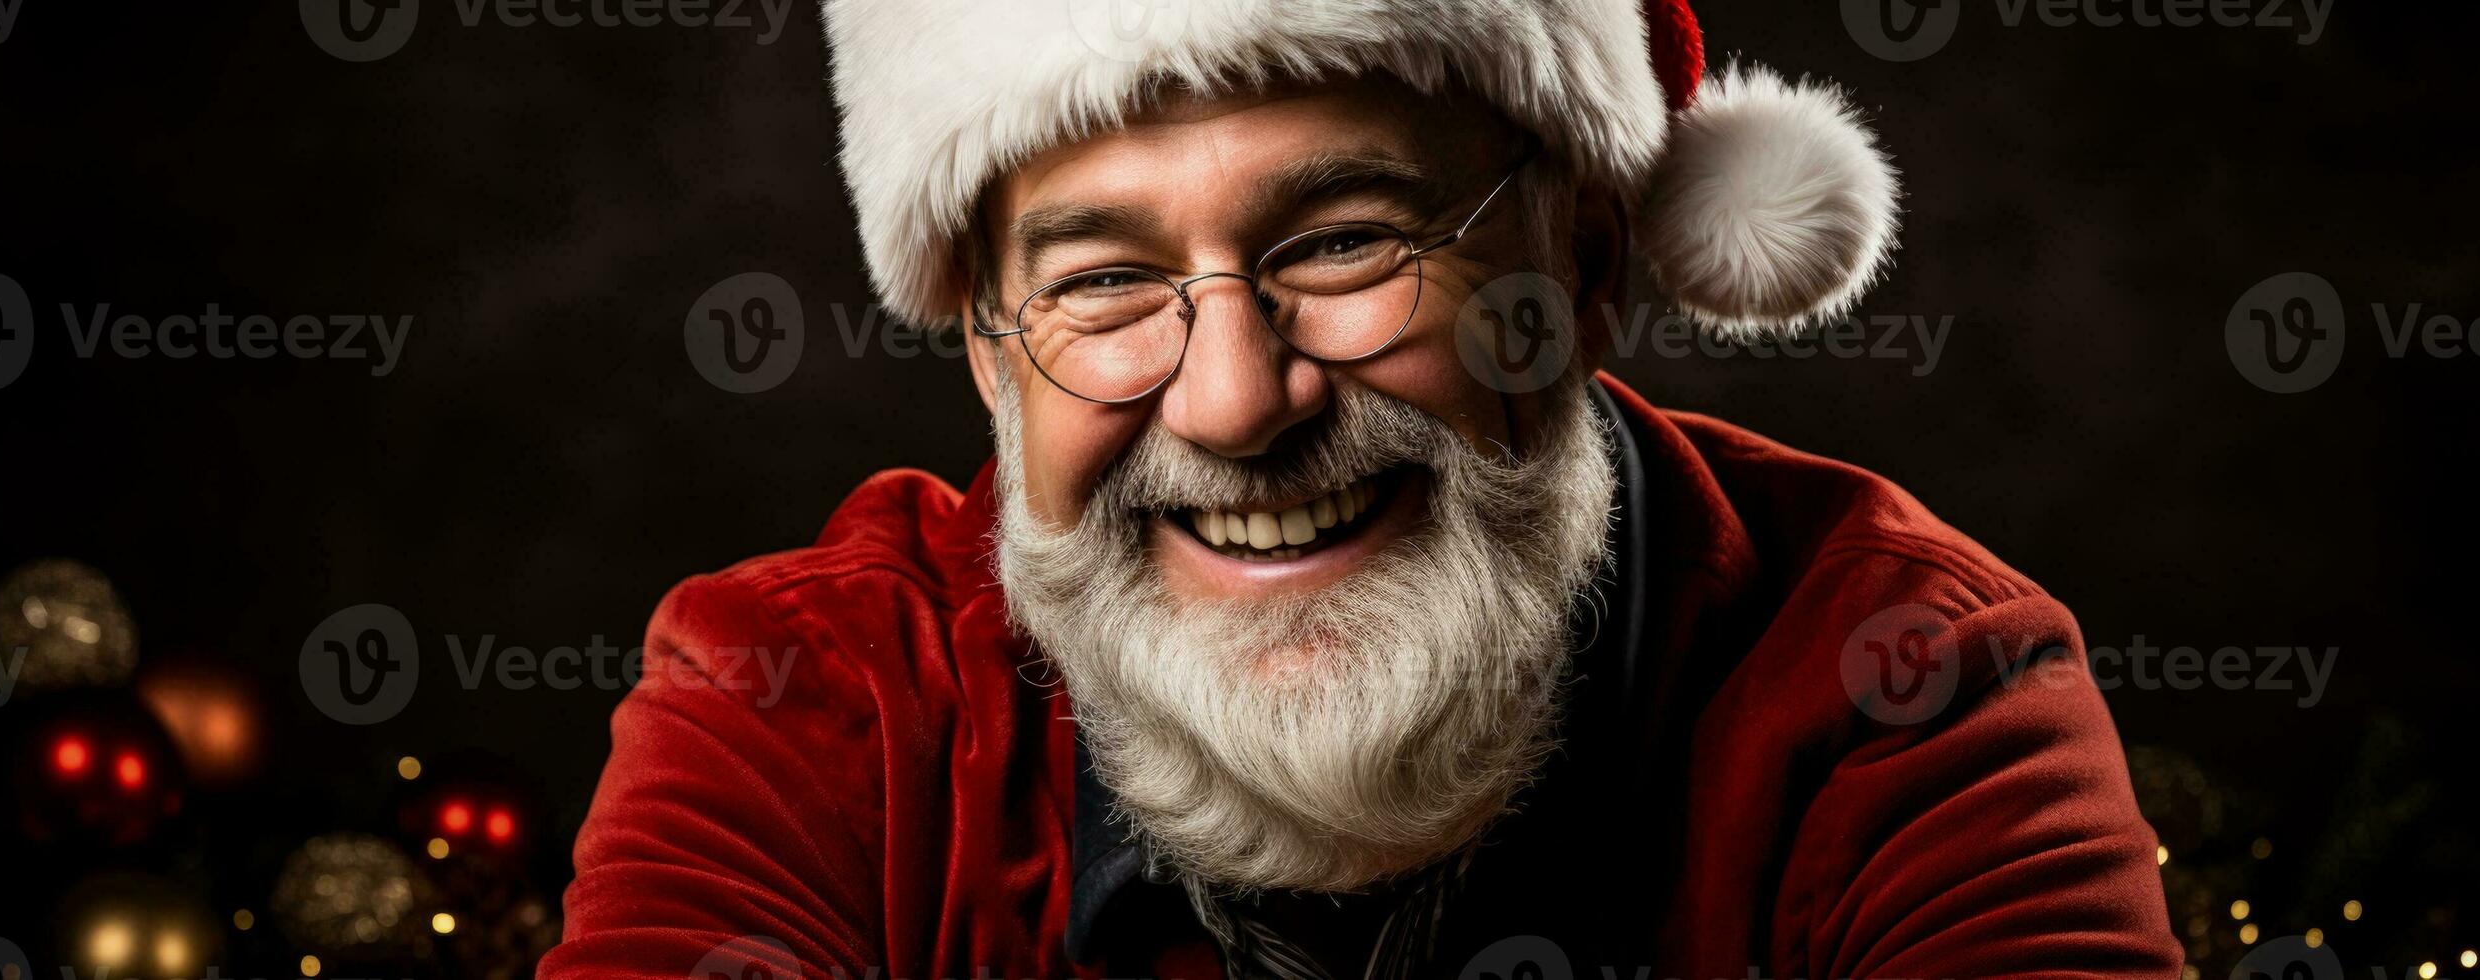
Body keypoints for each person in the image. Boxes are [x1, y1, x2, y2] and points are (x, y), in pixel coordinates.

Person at [544, 1, 2181, 977]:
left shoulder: (1917, 694)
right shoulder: (804, 705)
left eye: (1343, 242)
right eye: (1104, 282)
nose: (1237, 399)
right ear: (988, 354)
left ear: (1589, 268)